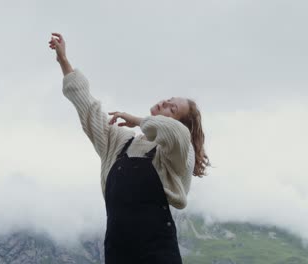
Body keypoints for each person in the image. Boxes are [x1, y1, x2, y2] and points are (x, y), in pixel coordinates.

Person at [49, 32, 210, 264]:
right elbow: (89, 109)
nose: (164, 102)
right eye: (168, 99)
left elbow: (178, 134)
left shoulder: (175, 156)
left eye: (172, 109)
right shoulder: (121, 142)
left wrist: (138, 120)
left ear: (175, 122)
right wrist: (64, 61)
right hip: (117, 253)